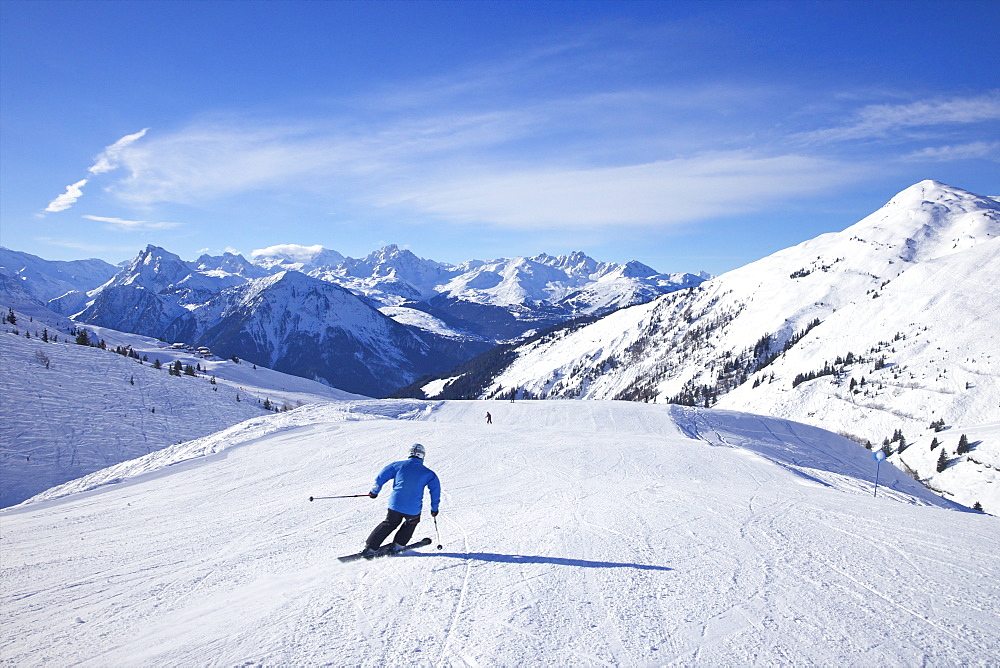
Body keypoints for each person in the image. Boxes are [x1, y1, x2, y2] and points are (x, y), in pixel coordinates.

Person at [363, 443, 441, 557]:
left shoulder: (397, 465)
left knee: (390, 523)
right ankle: (398, 545)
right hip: (413, 508)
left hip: (395, 504)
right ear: (422, 456)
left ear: (410, 454)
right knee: (411, 523)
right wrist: (434, 509)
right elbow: (435, 491)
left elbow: (381, 477)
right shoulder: (429, 473)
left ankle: (371, 547)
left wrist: (374, 492)